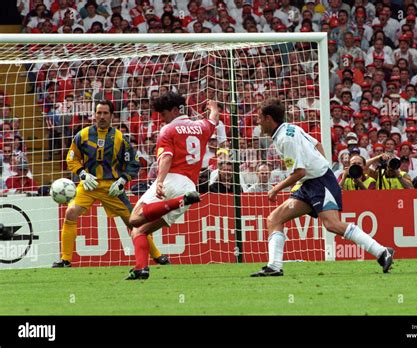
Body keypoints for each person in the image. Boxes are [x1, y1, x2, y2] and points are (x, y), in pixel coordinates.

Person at [251, 98, 394, 277]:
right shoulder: (291, 128)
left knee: (332, 225)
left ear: (269, 118)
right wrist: (322, 164)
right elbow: (317, 145)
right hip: (310, 182)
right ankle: (274, 266)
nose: (257, 122)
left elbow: (300, 172)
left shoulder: (284, 139)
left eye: (259, 118)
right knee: (274, 219)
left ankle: (381, 251)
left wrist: (275, 189)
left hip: (320, 182)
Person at [52, 100, 167, 268]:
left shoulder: (120, 138)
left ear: (112, 116)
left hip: (112, 188)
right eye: (99, 113)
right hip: (88, 186)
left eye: (105, 113)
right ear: (94, 115)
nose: (102, 116)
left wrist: (122, 181)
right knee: (70, 212)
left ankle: (157, 256)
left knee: (134, 222)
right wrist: (82, 174)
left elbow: (134, 163)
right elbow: (72, 158)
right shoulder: (82, 135)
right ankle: (65, 260)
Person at [125, 92, 219, 280]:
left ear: (175, 110)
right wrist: (214, 107)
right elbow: (213, 120)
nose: (162, 118)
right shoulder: (201, 127)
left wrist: (159, 181)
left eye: (164, 114)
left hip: (172, 181)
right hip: (190, 185)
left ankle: (178, 201)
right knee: (140, 231)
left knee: (134, 220)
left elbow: (166, 157)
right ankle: (141, 269)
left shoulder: (168, 130)